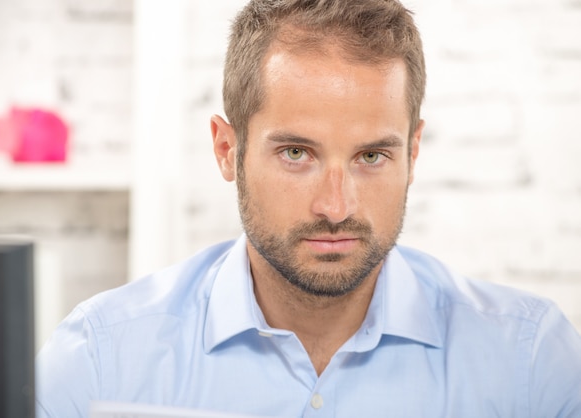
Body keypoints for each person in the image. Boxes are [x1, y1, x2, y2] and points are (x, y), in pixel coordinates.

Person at [36, 0, 581, 417]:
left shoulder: (530, 364)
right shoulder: (99, 363)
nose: (335, 206)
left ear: (412, 154)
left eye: (372, 155)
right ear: (228, 150)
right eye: (296, 153)